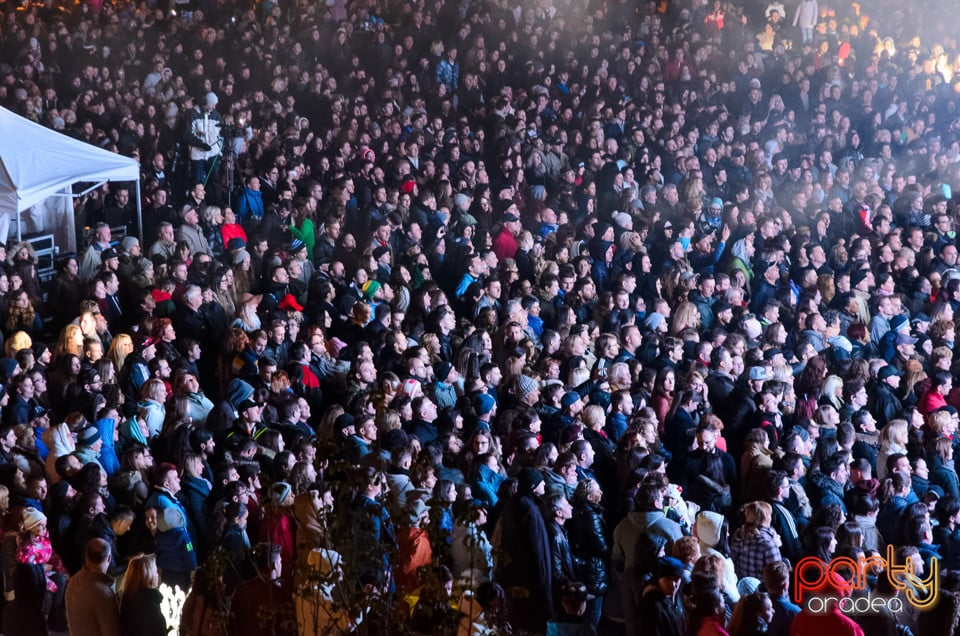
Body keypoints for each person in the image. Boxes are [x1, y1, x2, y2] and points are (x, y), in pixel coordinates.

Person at [65, 538, 121, 636]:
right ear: (109, 558)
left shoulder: (73, 581)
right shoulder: (103, 594)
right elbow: (111, 632)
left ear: (86, 557)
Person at [119, 553, 167, 636]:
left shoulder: (126, 597)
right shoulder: (150, 602)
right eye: (155, 571)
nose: (157, 574)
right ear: (149, 574)